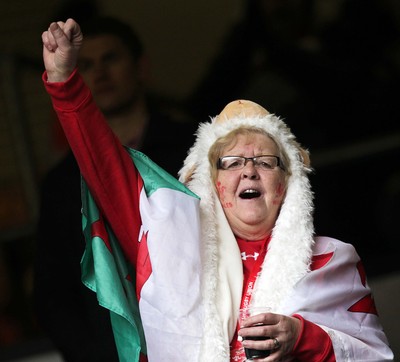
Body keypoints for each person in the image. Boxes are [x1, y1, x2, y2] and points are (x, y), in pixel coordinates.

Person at [40, 19, 394, 361]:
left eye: (266, 162)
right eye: (232, 162)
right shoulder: (171, 249)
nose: (250, 171)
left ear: (288, 183)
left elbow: (373, 356)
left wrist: (303, 338)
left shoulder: (333, 259)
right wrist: (65, 83)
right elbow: (108, 170)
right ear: (210, 184)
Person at [33, 16, 196, 362]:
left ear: (142, 67)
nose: (101, 73)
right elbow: (53, 292)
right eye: (87, 64)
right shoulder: (60, 183)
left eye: (111, 58)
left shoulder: (196, 147)